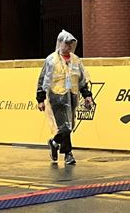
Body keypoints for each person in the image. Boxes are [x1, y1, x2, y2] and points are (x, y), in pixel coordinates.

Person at [36, 30, 93, 166]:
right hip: (57, 96)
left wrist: (87, 96)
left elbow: (81, 80)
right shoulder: (51, 60)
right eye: (66, 44)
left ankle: (54, 143)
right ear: (60, 43)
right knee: (65, 126)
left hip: (72, 95)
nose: (69, 47)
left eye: (71, 44)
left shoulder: (75, 60)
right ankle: (68, 154)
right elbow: (43, 79)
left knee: (69, 125)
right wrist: (40, 98)